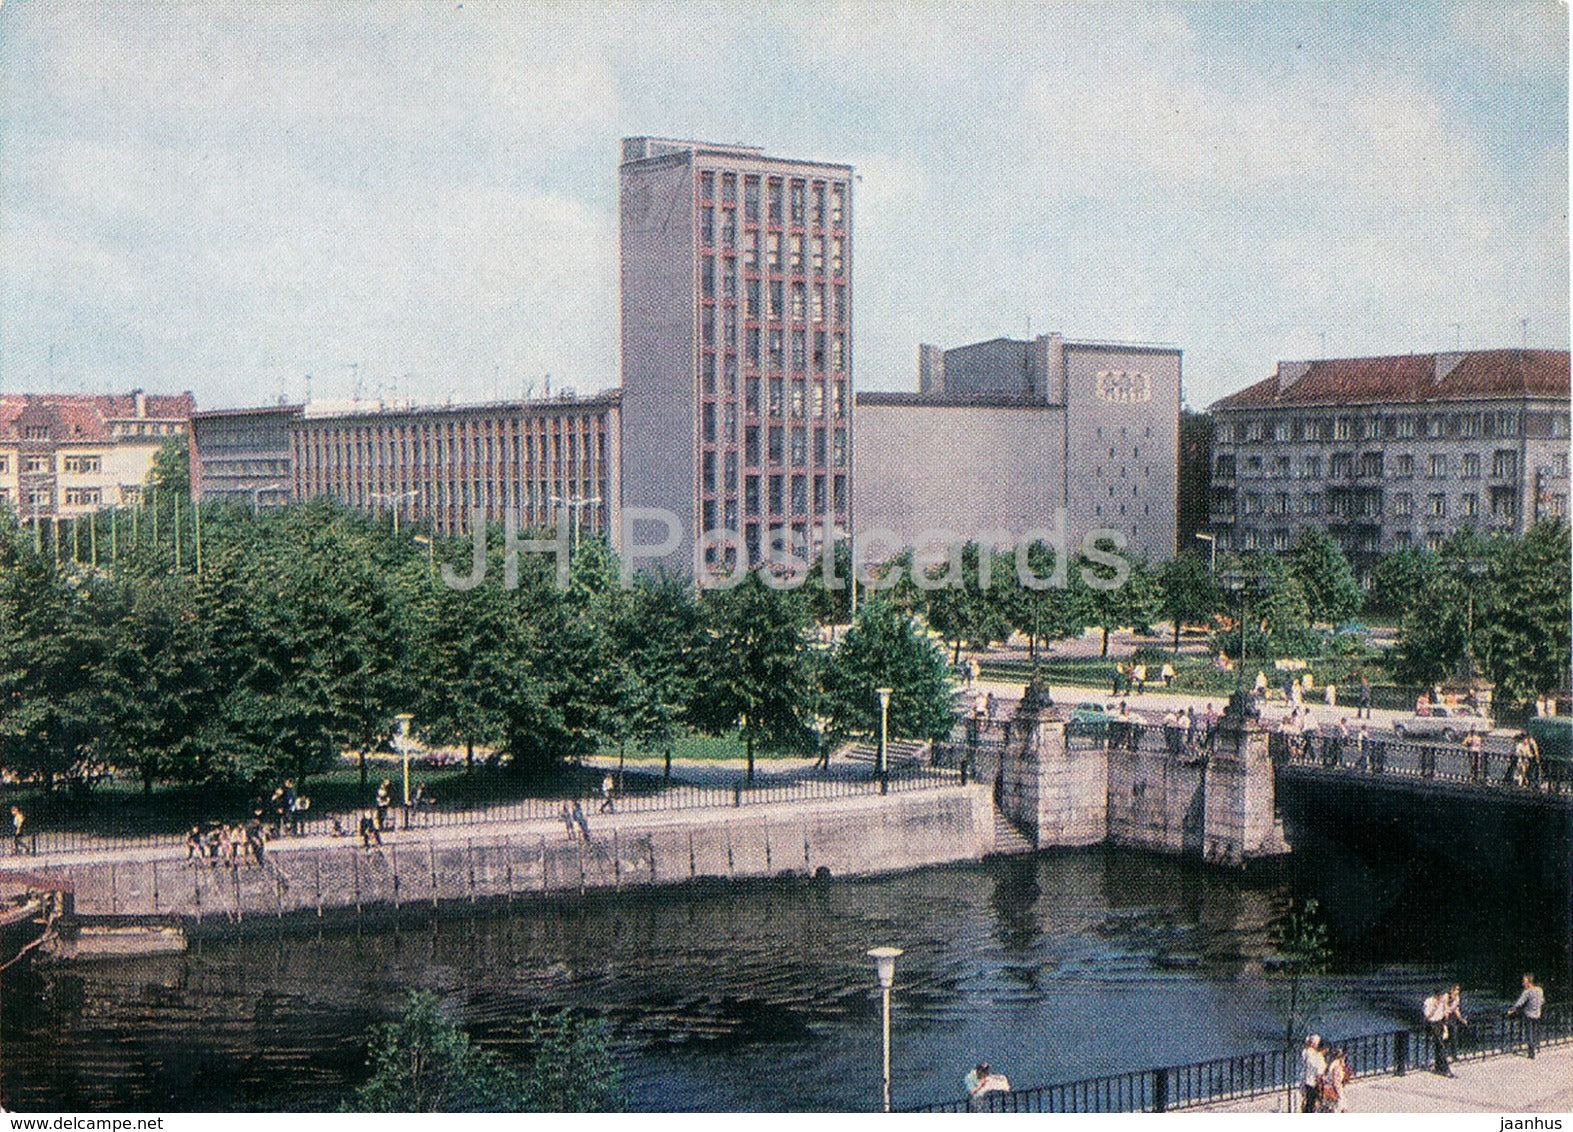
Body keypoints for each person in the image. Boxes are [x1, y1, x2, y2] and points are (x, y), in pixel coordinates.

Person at [1506, 973, 1544, 1059]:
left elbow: (1519, 1003)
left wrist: (1512, 1010)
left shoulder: (1527, 992)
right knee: (1535, 1032)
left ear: (1529, 982)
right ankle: (1535, 1047)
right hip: (1538, 1014)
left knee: (1529, 1033)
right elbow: (1542, 1000)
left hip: (1529, 1015)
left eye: (1524, 982)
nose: (1523, 984)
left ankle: (1531, 1053)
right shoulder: (1540, 990)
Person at [1423, 989, 1454, 1076]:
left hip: (1440, 1023)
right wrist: (1434, 1007)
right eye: (1439, 996)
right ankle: (1446, 1069)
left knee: (1440, 1046)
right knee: (1441, 1045)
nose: (1440, 998)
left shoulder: (1442, 1001)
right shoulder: (1428, 1002)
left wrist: (1445, 1011)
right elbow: (1427, 1017)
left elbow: (1444, 1014)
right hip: (1432, 1024)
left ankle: (1439, 1066)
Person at [1300, 1035, 1326, 1113]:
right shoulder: (1317, 1057)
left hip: (1307, 1081)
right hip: (1314, 1083)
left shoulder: (1307, 1053)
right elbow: (1319, 1072)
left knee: (1309, 1102)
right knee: (1313, 1102)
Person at [1319, 1048, 1350, 1112]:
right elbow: (1336, 1083)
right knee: (1341, 1107)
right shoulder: (1337, 1067)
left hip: (1326, 1089)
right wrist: (1339, 1094)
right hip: (1333, 1090)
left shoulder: (1330, 1065)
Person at [1444, 984, 1469, 1061]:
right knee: (1445, 1038)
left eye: (1459, 989)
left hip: (1452, 1018)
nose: (1458, 991)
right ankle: (1444, 1056)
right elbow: (1445, 1006)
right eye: (1457, 989)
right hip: (1445, 1017)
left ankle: (1454, 1055)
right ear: (1452, 990)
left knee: (1454, 1036)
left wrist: (1461, 1019)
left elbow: (1456, 1010)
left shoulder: (1457, 998)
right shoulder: (1447, 996)